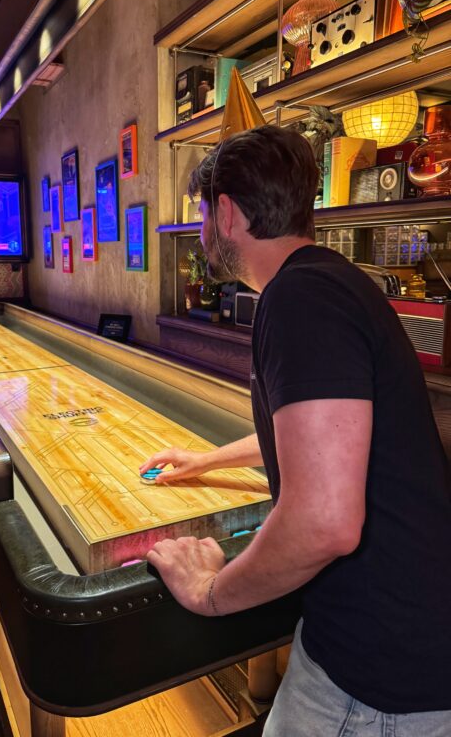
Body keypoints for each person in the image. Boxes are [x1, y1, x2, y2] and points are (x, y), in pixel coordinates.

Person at [141, 125, 451, 736]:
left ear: (226, 213)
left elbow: (325, 522)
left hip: (375, 679)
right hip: (405, 650)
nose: (201, 232)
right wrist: (207, 461)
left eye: (202, 215)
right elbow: (328, 437)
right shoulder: (329, 280)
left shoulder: (297, 299)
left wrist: (210, 590)